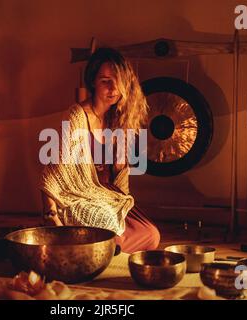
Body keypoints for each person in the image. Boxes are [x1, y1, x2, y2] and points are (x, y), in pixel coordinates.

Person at [39, 47, 160, 253]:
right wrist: (50, 214)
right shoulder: (77, 116)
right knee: (104, 221)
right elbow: (54, 173)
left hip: (108, 196)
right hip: (79, 196)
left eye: (118, 80)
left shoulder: (121, 117)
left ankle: (99, 248)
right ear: (93, 82)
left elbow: (120, 182)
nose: (113, 88)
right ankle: (100, 248)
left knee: (151, 235)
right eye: (105, 81)